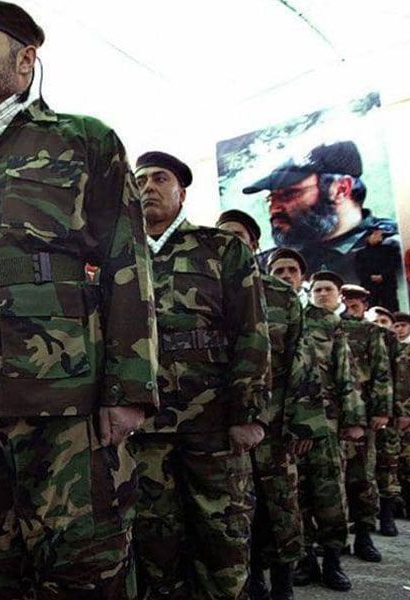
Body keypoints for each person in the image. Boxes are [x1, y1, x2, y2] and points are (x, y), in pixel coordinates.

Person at [0, 3, 158, 596]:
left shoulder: (83, 140)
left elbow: (127, 263)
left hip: (64, 398)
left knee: (83, 570)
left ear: (26, 60)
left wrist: (130, 389)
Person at [131, 152, 267, 599]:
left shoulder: (220, 247)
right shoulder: (121, 255)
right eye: (140, 181)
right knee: (155, 540)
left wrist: (248, 413)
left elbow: (251, 331)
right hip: (146, 426)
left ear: (181, 192)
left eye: (160, 179)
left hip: (213, 422)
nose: (148, 187)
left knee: (222, 537)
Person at [217, 211, 305, 600]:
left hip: (275, 421)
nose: (230, 242)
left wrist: (301, 423)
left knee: (281, 504)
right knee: (235, 505)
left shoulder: (282, 295)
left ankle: (284, 582)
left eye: (238, 235)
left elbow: (301, 362)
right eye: (222, 235)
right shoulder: (207, 288)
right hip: (224, 420)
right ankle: (251, 577)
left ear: (254, 244)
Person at [291, 270, 365, 591]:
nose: (322, 294)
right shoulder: (288, 316)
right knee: (296, 493)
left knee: (330, 491)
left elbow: (346, 371)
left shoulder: (332, 324)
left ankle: (333, 560)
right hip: (292, 423)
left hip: (327, 422)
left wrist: (354, 419)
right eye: (317, 289)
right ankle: (305, 559)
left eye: (328, 289)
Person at [243, 140, 400, 287]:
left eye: (288, 194)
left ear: (341, 189)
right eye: (270, 199)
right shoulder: (263, 266)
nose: (274, 209)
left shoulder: (394, 248)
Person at [338, 283, 392, 562]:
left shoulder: (372, 332)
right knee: (331, 479)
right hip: (332, 411)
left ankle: (363, 535)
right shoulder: (331, 326)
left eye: (357, 301)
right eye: (348, 300)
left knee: (362, 476)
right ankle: (334, 538)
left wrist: (382, 410)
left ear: (365, 304)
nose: (352, 305)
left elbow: (382, 371)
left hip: (362, 411)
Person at [366, 305, 405, 536]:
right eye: (375, 321)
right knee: (364, 470)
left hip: (389, 415)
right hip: (364, 415)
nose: (379, 326)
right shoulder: (362, 341)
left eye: (384, 322)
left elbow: (402, 381)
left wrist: (401, 412)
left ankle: (388, 517)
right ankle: (366, 518)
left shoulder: (397, 349)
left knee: (388, 465)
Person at [355, 228, 402, 312]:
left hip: (388, 285)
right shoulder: (360, 253)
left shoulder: (389, 250)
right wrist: (370, 277)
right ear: (368, 237)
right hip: (369, 286)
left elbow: (394, 264)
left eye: (380, 235)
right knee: (371, 309)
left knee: (391, 308)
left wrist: (383, 276)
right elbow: (359, 270)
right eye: (375, 235)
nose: (379, 237)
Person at [391, 312, 410, 515]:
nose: (399, 329)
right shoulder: (389, 348)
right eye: (396, 326)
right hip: (392, 412)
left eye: (403, 325)